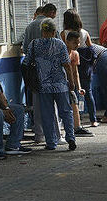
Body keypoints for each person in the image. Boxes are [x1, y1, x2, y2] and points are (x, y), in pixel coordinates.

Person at [25, 19, 76, 151]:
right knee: (66, 112)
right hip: (60, 85)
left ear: (42, 31)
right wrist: (71, 82)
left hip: (43, 86)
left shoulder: (34, 44)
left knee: (47, 114)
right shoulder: (60, 44)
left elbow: (26, 63)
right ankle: (70, 137)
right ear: (54, 32)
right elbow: (67, 64)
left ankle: (51, 143)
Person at [22, 3, 58, 141]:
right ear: (51, 13)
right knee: (52, 103)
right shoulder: (50, 23)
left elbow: (25, 49)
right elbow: (58, 47)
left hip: (34, 69)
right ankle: (54, 133)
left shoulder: (30, 26)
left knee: (37, 103)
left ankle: (39, 134)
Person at [63, 9, 99, 129]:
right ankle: (93, 119)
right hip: (85, 66)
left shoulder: (65, 33)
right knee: (87, 92)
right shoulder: (84, 32)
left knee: (72, 93)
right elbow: (92, 49)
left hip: (71, 64)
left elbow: (64, 49)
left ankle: (76, 119)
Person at [62, 30, 94, 137]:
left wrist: (79, 87)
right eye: (74, 43)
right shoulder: (61, 53)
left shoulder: (75, 54)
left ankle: (77, 127)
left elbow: (75, 72)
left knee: (75, 103)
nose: (77, 45)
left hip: (70, 84)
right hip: (61, 83)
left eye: (78, 42)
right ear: (67, 42)